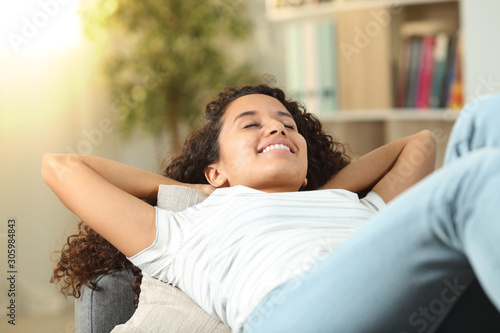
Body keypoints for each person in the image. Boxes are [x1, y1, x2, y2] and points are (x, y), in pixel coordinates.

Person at [43, 84, 500, 333]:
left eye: (287, 125)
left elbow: (419, 144)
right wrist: (192, 189)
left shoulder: (347, 205)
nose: (278, 129)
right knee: (472, 183)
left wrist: (320, 190)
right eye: (252, 124)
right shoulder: (186, 228)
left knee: (486, 116)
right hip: (291, 314)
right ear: (214, 169)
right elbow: (62, 165)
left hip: (405, 298)